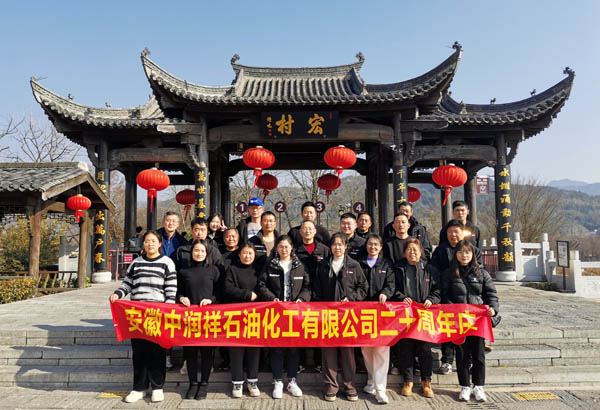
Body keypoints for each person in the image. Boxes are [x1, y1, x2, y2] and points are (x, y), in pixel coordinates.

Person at [108, 230, 177, 404]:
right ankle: (138, 388)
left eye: (153, 241)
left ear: (160, 244)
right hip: (137, 315)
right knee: (139, 352)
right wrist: (118, 293)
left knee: (157, 352)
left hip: (157, 314)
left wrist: (167, 309)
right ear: (143, 244)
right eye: (147, 241)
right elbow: (127, 284)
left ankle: (157, 387)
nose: (150, 244)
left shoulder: (167, 263)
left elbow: (171, 289)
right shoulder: (136, 263)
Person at [313, 232, 368, 402]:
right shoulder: (323, 265)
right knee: (328, 351)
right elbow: (316, 290)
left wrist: (351, 298)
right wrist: (320, 307)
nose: (337, 247)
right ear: (330, 247)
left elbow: (363, 288)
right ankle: (331, 386)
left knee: (347, 352)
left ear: (345, 246)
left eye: (340, 244)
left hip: (347, 316)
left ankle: (349, 386)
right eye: (334, 244)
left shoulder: (354, 265)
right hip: (327, 315)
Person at [441, 240, 499, 402]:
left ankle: (479, 386)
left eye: (467, 252)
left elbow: (491, 294)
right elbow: (444, 296)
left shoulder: (482, 273)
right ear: (456, 254)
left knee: (479, 355)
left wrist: (493, 309)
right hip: (458, 321)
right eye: (460, 252)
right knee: (462, 355)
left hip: (477, 321)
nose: (464, 255)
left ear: (473, 254)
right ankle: (465, 386)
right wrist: (453, 309)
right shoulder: (449, 273)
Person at [257, 235, 311, 399]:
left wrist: (302, 299)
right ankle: (277, 381)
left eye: (286, 246)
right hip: (276, 314)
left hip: (295, 314)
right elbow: (261, 285)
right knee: (277, 348)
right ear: (277, 248)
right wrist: (271, 298)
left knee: (294, 348)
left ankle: (292, 380)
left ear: (292, 247)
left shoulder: (300, 265)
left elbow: (308, 286)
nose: (284, 249)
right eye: (280, 246)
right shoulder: (271, 265)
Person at [430, 219, 482, 375]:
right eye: (450, 232)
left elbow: (480, 273)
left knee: (469, 333)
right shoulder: (440, 251)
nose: (453, 235)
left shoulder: (473, 250)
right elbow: (434, 271)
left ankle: (469, 362)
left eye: (456, 232)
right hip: (448, 296)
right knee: (448, 331)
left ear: (463, 233)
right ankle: (447, 361)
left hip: (469, 299)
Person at [393, 238, 440, 399]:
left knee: (424, 349)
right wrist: (401, 297)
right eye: (409, 249)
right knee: (405, 348)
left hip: (424, 315)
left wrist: (432, 299)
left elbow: (437, 290)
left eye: (415, 249)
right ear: (404, 252)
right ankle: (408, 381)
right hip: (405, 315)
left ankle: (426, 381)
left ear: (421, 251)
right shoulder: (398, 269)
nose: (412, 252)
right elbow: (393, 288)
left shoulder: (430, 269)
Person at [176, 240, 221, 400]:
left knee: (207, 353)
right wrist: (181, 298)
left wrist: (211, 300)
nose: (199, 253)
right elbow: (178, 292)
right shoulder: (184, 271)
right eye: (196, 250)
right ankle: (193, 383)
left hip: (208, 318)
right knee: (190, 353)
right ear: (191, 252)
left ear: (206, 253)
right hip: (189, 318)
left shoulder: (214, 270)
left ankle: (204, 384)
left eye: (202, 251)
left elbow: (220, 293)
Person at [357, 234, 394, 404]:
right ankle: (371, 380)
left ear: (380, 247)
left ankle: (380, 389)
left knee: (381, 349)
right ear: (366, 246)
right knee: (366, 349)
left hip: (381, 314)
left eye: (376, 245)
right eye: (370, 244)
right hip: (363, 313)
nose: (373, 247)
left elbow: (391, 284)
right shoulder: (359, 264)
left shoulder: (386, 265)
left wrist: (385, 293)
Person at [222, 243, 261, 398]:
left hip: (255, 315)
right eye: (244, 253)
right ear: (239, 255)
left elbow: (263, 287)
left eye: (250, 253)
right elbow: (227, 288)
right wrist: (246, 294)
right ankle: (237, 382)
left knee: (254, 349)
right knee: (236, 349)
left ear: (255, 255)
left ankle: (252, 381)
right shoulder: (232, 269)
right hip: (235, 316)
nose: (247, 256)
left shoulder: (258, 270)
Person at [294, 220, 330, 372]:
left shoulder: (324, 250)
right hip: (301, 294)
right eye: (304, 228)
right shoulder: (295, 250)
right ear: (300, 232)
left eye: (310, 228)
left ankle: (319, 362)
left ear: (315, 231)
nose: (307, 231)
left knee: (320, 329)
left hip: (321, 294)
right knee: (300, 328)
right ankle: (301, 362)